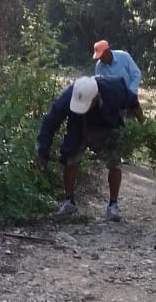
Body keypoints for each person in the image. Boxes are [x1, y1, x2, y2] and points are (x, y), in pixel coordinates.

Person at [34, 75, 143, 222]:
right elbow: (50, 121)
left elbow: (134, 103)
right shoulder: (69, 96)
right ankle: (69, 202)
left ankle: (113, 205)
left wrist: (145, 128)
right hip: (78, 126)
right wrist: (42, 151)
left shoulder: (114, 88)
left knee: (114, 162)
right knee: (69, 159)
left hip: (106, 126)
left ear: (96, 97)